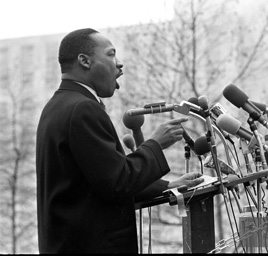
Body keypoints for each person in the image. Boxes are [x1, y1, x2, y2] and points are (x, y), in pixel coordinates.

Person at [35, 28, 204, 253]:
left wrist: (169, 186)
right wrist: (156, 144)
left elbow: (98, 182)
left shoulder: (57, 106)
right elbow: (118, 182)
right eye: (111, 54)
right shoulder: (82, 109)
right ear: (84, 61)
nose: (120, 63)